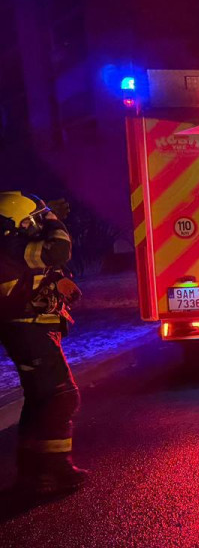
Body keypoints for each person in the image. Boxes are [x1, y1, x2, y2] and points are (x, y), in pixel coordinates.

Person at [0, 192, 86, 496]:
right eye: (34, 220)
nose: (40, 225)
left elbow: (39, 271)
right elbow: (58, 250)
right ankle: (53, 471)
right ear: (19, 224)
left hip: (26, 330)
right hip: (28, 332)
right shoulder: (12, 246)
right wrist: (53, 219)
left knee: (40, 400)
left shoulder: (14, 246)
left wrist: (56, 283)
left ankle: (33, 472)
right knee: (61, 397)